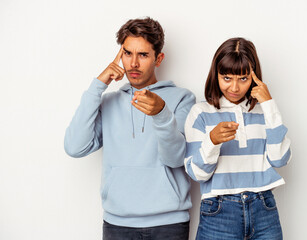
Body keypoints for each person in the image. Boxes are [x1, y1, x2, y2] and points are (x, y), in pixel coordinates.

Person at [64, 17, 195, 240]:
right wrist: (99, 84)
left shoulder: (182, 99)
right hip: (117, 223)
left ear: (158, 58)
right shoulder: (109, 102)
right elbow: (75, 147)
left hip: (169, 224)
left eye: (143, 55)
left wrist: (161, 114)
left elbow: (175, 158)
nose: (133, 63)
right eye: (127, 53)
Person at [184, 37, 291, 240]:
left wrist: (269, 105)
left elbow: (279, 159)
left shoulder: (264, 111)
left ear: (254, 77)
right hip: (219, 213)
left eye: (243, 79)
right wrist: (212, 142)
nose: (234, 88)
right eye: (227, 78)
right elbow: (197, 174)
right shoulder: (200, 113)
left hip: (264, 209)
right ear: (215, 75)